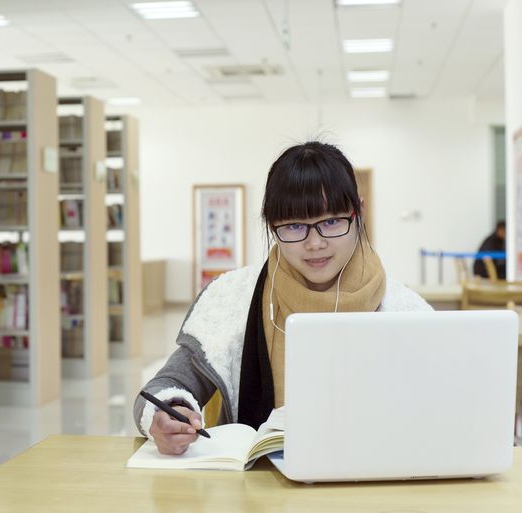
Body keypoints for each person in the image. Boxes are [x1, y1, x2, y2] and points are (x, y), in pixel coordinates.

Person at [133, 141, 432, 455]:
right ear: (271, 225)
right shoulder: (233, 298)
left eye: (331, 222)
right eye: (294, 226)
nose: (314, 243)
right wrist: (169, 412)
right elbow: (165, 385)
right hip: (260, 489)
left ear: (358, 212)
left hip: (375, 481)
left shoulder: (405, 310)